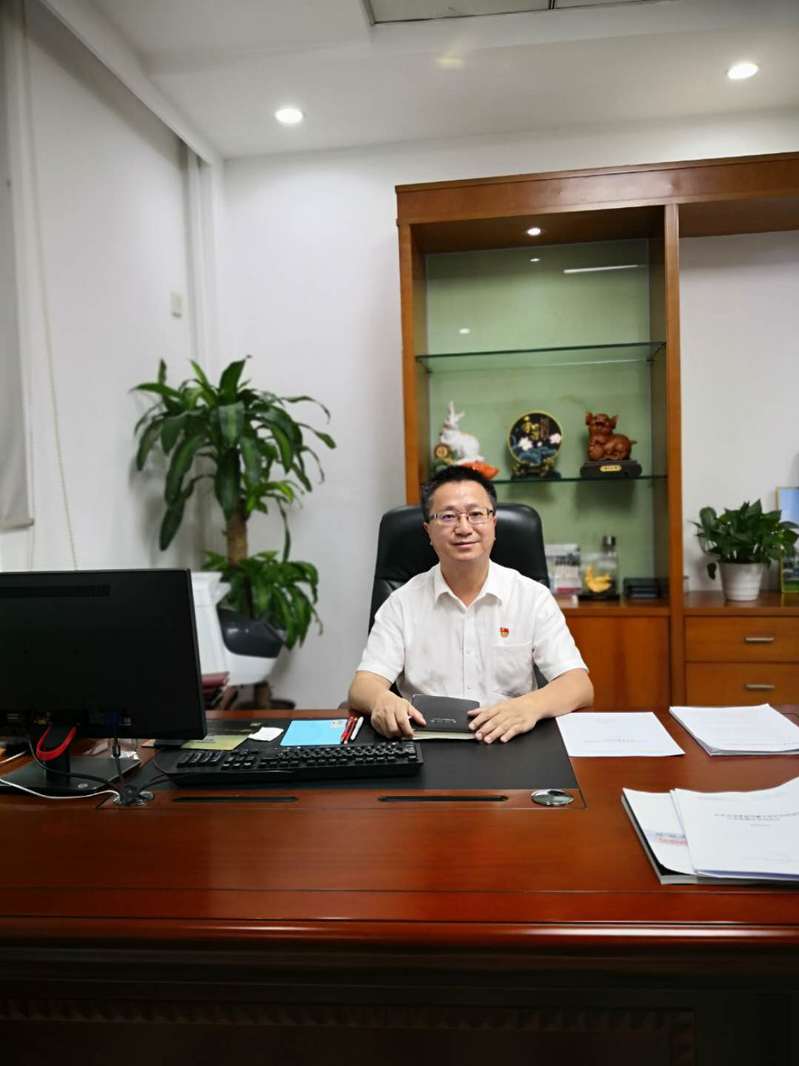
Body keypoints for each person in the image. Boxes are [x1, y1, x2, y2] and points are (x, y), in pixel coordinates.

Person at [347, 465, 593, 743]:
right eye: (448, 516)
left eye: (476, 514)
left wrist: (529, 707)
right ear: (428, 531)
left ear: (493, 524)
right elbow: (363, 685)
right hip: (426, 741)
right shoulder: (402, 603)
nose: (464, 528)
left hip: (510, 741)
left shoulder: (532, 597)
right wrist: (382, 699)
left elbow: (578, 685)